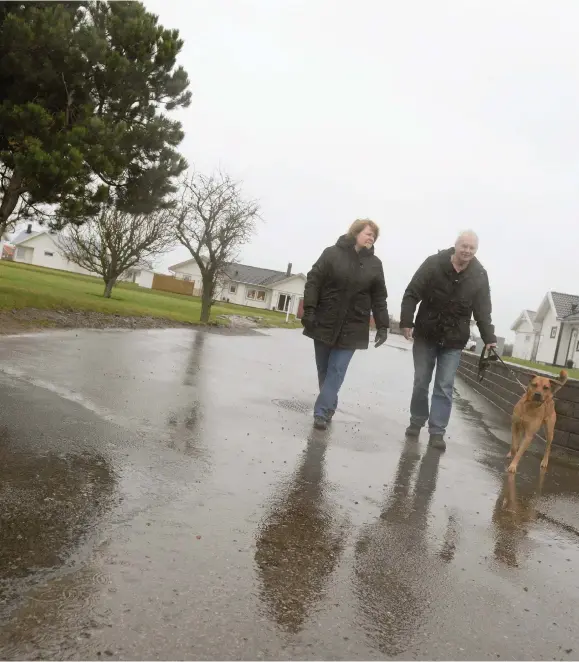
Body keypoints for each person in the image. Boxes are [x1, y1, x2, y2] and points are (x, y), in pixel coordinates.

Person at [400, 230, 497, 450]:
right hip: (426, 334)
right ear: (455, 245)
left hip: (454, 340)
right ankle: (416, 421)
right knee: (421, 382)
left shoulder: (479, 275)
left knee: (444, 385)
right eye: (464, 246)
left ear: (476, 251)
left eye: (472, 248)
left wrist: (489, 338)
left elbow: (483, 310)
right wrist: (407, 321)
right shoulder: (433, 264)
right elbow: (412, 292)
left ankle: (437, 432)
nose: (467, 251)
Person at [302, 219, 389, 430]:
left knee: (337, 370)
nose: (371, 238)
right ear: (356, 233)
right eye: (368, 234)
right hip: (324, 320)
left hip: (353, 326)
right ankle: (330, 403)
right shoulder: (331, 254)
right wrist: (310, 310)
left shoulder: (375, 264)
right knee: (324, 370)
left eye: (374, 236)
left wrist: (382, 326)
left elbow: (379, 298)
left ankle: (320, 412)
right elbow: (314, 281)